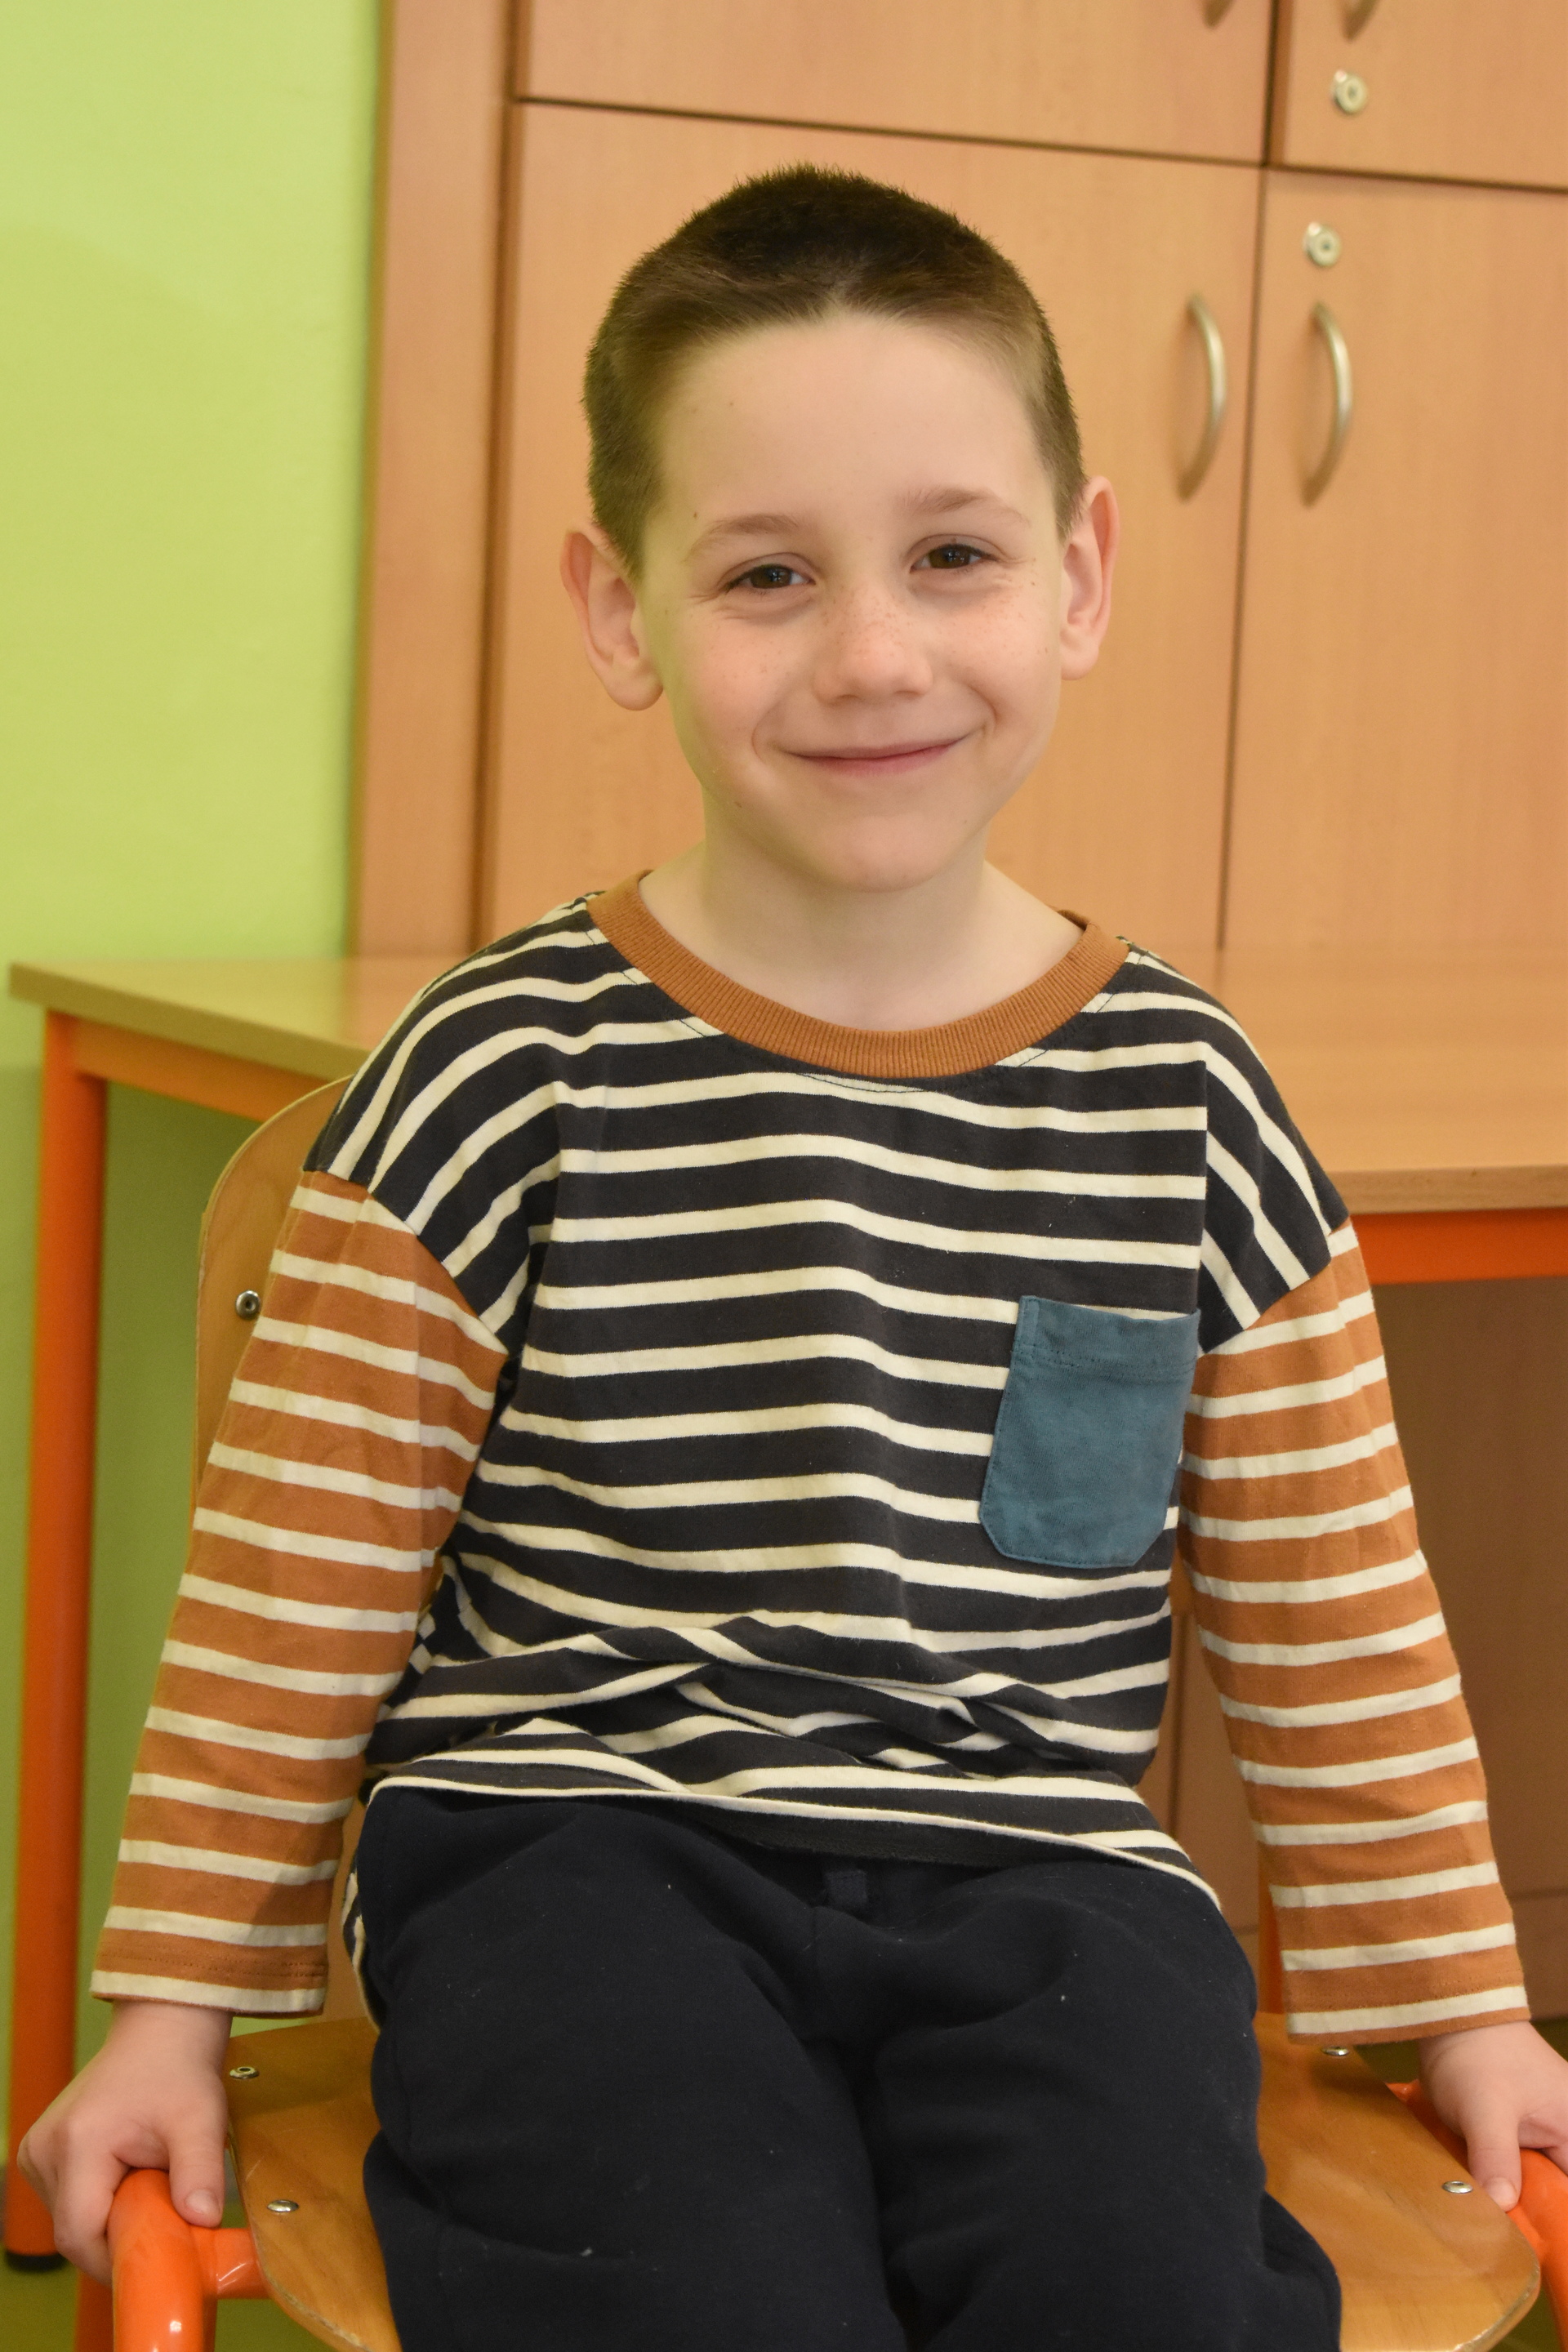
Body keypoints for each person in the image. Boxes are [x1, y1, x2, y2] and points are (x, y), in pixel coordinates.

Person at [22, 167, 1568, 2350]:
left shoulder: (1191, 1100)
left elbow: (1337, 1611)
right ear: (620, 609)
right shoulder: (500, 1067)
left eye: (954, 556)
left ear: (1080, 575)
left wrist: (1467, 2007)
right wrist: (174, 2005)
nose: (872, 655)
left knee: (1141, 2288)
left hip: (1044, 1870)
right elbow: (301, 1585)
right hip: (572, 1842)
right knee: (701, 2282)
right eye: (767, 573)